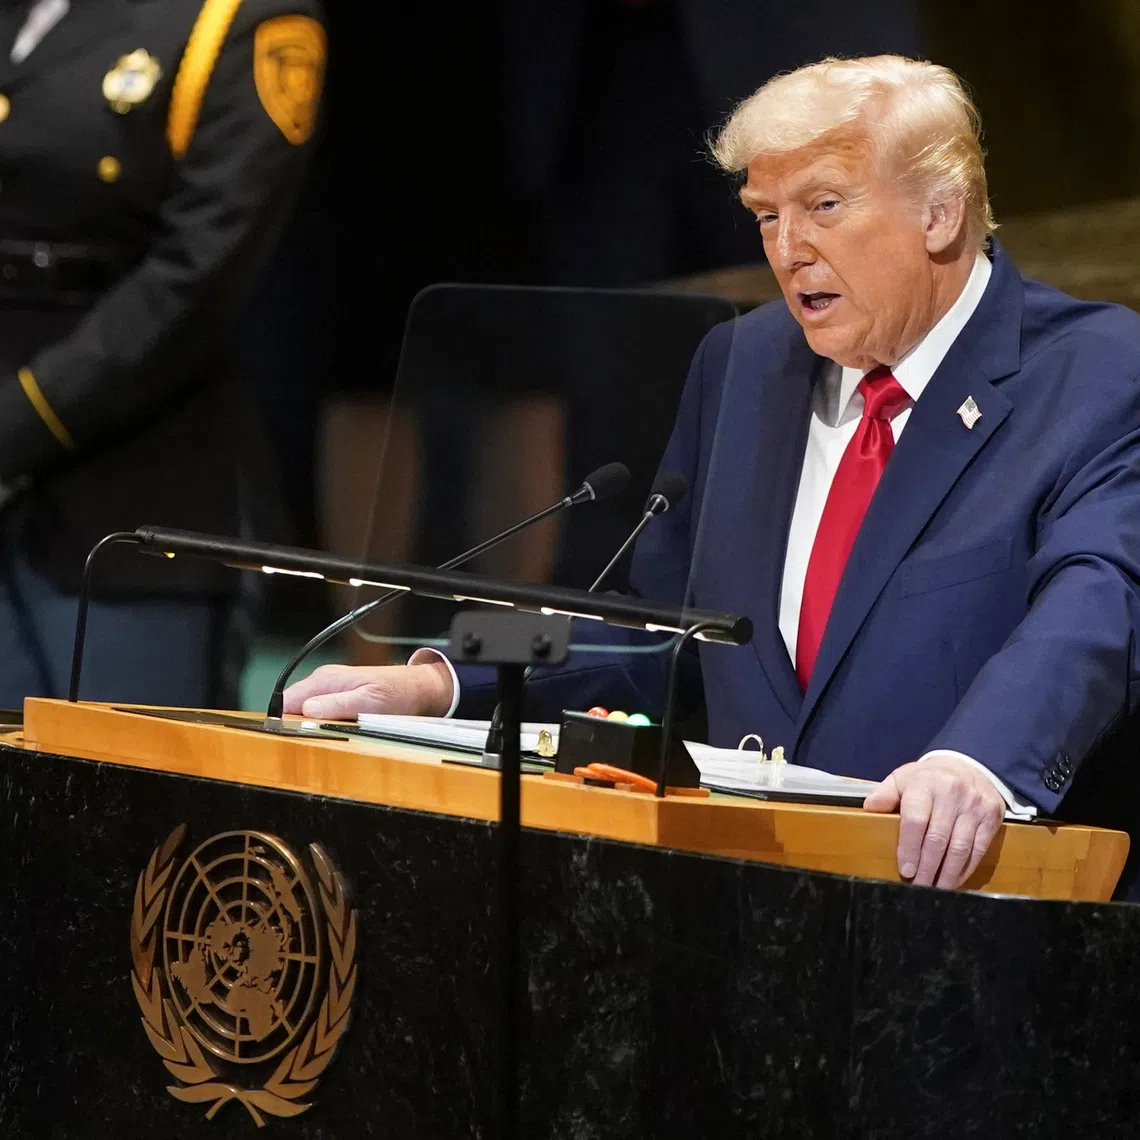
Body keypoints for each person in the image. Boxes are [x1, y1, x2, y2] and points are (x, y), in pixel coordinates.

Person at [284, 55, 1140, 898]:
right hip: (739, 906)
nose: (788, 248)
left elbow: (1097, 603)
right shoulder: (743, 362)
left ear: (941, 213)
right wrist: (444, 678)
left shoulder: (1094, 372)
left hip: (965, 909)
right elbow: (652, 628)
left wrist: (978, 763)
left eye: (824, 206)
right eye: (765, 215)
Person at [0, 0, 325, 706]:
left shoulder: (239, 19)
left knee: (130, 805)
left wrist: (16, 422)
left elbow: (197, 277)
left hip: (133, 499)